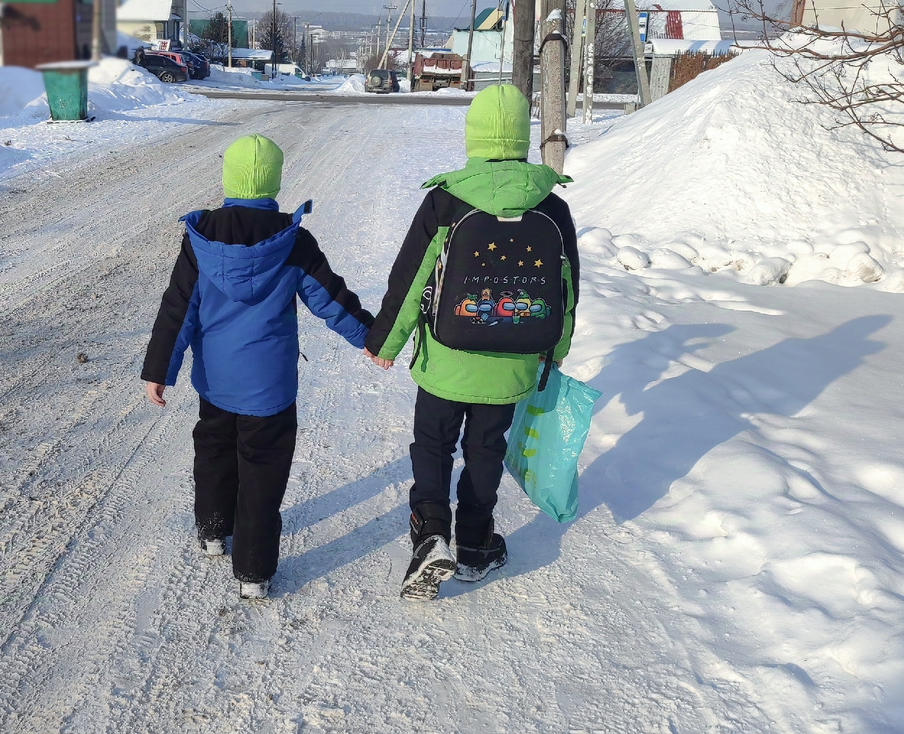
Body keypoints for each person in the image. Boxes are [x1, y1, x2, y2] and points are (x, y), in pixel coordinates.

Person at [364, 84, 580, 600]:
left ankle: (431, 532)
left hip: (445, 359)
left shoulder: (446, 200)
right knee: (485, 449)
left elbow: (410, 279)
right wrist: (554, 349)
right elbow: (567, 289)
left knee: (433, 445)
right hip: (513, 365)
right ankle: (477, 545)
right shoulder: (551, 206)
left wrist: (386, 341)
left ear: (474, 137)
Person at [142, 134, 373, 600]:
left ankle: (212, 530)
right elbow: (331, 300)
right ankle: (253, 571)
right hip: (269, 391)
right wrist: (372, 338)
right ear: (274, 181)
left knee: (214, 456)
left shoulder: (201, 240)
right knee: (262, 476)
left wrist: (158, 369)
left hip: (216, 383)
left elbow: (177, 309)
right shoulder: (291, 241)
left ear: (228, 178)